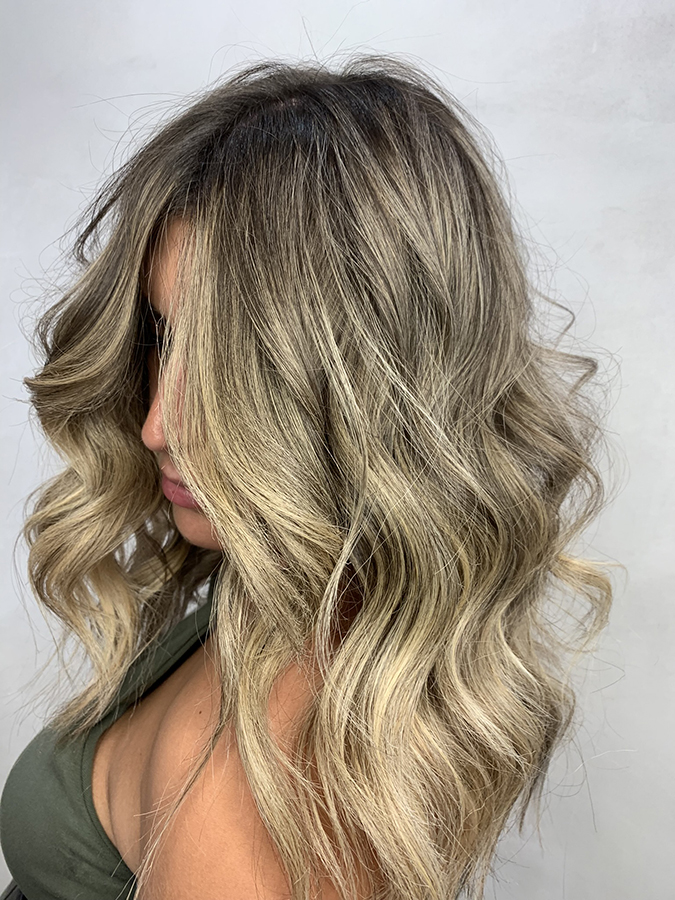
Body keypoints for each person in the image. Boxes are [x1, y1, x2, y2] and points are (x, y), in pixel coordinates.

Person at [0, 54, 615, 900]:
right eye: (162, 336)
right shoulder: (300, 604)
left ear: (375, 384)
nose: (157, 427)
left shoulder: (260, 784)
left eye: (239, 362)